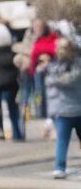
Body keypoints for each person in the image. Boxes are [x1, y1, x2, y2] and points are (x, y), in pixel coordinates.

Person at [46, 38, 80, 180]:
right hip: (66, 110)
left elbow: (70, 80)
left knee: (62, 140)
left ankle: (60, 168)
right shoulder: (55, 66)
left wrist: (55, 81)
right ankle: (60, 168)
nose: (60, 51)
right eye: (58, 48)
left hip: (74, 110)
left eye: (63, 48)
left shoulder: (74, 66)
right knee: (62, 140)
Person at [0, 24, 25, 141]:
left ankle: (2, 131)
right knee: (12, 110)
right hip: (10, 84)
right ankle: (17, 133)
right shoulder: (12, 53)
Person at [30, 18, 60, 120]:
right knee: (39, 92)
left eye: (38, 26)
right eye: (35, 26)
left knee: (50, 92)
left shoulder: (53, 37)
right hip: (38, 70)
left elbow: (56, 49)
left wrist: (47, 57)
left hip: (52, 69)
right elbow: (33, 56)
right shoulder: (36, 40)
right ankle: (40, 112)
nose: (36, 28)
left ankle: (50, 113)